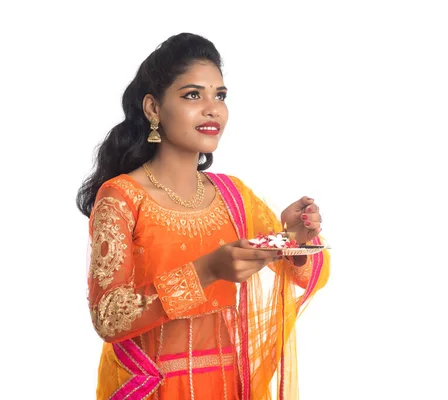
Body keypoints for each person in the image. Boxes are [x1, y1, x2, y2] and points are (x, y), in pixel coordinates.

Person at [76, 32, 330, 400]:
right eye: (193, 95)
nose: (213, 108)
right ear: (153, 109)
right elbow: (108, 317)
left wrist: (295, 239)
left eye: (220, 96)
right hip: (151, 388)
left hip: (228, 386)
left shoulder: (233, 196)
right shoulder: (121, 198)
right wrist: (208, 270)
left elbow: (303, 276)